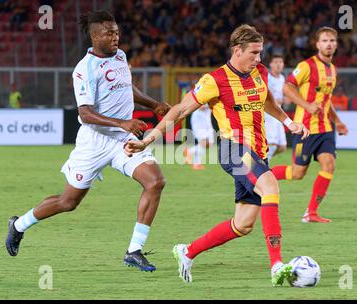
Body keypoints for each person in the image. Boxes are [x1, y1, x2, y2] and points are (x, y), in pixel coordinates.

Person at [125, 25, 309, 285]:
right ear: (237, 50)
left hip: (258, 152)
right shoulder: (215, 80)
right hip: (233, 149)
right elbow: (179, 111)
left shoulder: (260, 73)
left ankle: (188, 251)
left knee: (244, 224)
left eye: (261, 53)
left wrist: (288, 122)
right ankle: (277, 265)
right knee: (270, 186)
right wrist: (149, 139)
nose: (259, 58)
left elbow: (267, 100)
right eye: (254, 53)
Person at [5, 11, 171, 272]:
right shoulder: (84, 69)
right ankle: (18, 225)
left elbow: (126, 87)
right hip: (94, 142)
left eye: (116, 31)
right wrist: (122, 122)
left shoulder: (120, 56)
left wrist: (154, 105)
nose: (116, 36)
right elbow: (85, 113)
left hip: (122, 141)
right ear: (95, 36)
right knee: (68, 202)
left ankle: (134, 250)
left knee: (155, 181)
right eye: (109, 33)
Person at [271, 27, 349, 223]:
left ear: (336, 44)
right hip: (305, 129)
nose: (329, 44)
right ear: (317, 44)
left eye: (332, 40)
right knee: (297, 173)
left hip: (325, 129)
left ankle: (311, 212)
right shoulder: (306, 66)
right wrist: (306, 105)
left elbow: (326, 100)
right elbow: (287, 88)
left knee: (329, 165)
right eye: (324, 40)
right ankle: (259, 176)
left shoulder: (333, 69)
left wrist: (337, 121)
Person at [264, 54, 288, 161]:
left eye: (280, 62)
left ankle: (258, 161)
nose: (278, 64)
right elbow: (262, 95)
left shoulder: (282, 78)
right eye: (276, 62)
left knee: (282, 147)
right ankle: (262, 168)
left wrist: (286, 99)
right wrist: (274, 101)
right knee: (271, 143)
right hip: (269, 114)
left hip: (278, 114)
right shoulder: (267, 78)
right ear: (271, 64)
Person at [184, 103, 215, 170]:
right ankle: (197, 164)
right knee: (203, 143)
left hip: (206, 122)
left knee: (209, 143)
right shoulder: (201, 93)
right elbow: (201, 107)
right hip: (199, 121)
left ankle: (190, 151)